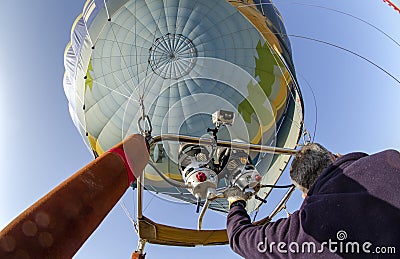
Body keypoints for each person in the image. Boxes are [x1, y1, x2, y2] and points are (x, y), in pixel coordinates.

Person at [226, 143, 400, 258]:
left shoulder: (306, 227)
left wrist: (236, 202)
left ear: (305, 195)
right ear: (334, 156)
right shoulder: (391, 159)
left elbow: (242, 238)